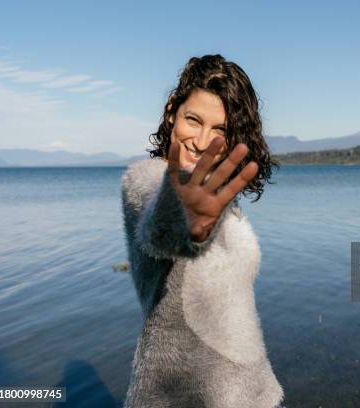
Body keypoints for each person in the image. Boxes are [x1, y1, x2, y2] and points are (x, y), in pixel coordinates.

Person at [120, 54, 284, 408]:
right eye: (193, 120)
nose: (202, 140)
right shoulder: (146, 180)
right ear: (171, 112)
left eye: (220, 130)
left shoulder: (216, 195)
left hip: (254, 392)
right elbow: (161, 229)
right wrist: (189, 226)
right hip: (185, 398)